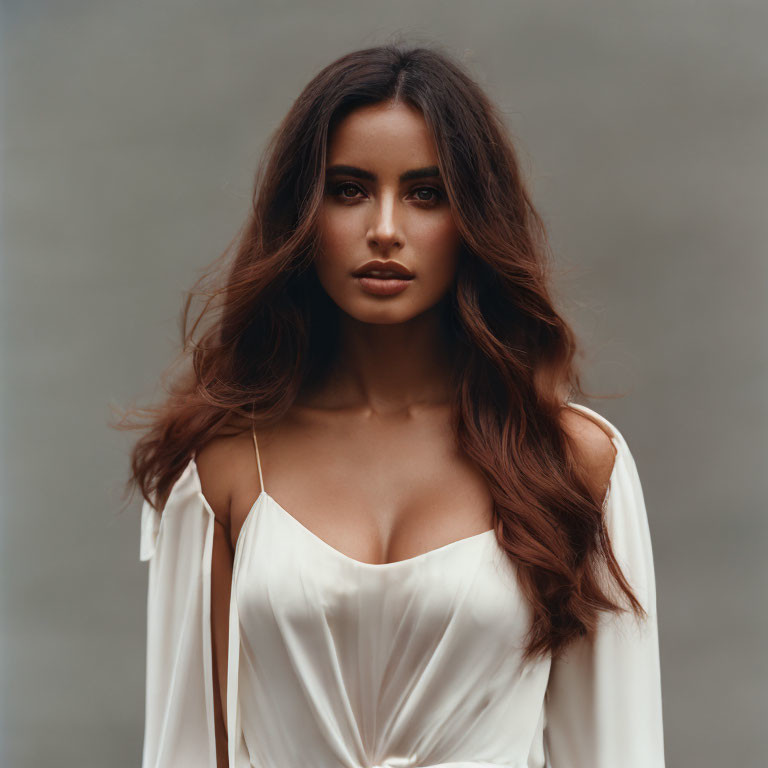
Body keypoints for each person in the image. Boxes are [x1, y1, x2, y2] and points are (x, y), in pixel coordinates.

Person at [123, 43, 665, 768]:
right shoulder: (222, 464)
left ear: (473, 218)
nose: (384, 227)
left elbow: (616, 752)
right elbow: (190, 750)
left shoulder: (574, 461)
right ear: (302, 216)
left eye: (426, 193)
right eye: (348, 190)